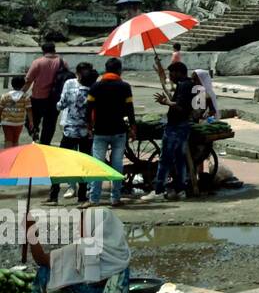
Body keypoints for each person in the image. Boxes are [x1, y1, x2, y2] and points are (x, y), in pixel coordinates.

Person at [27, 207, 131, 293]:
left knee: (46, 269)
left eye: (81, 224)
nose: (77, 228)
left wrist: (31, 232)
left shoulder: (84, 247)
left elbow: (42, 259)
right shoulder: (121, 251)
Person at [83, 57, 135, 208]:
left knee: (97, 164)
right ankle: (115, 198)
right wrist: (132, 127)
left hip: (100, 131)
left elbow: (88, 109)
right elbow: (129, 109)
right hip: (119, 130)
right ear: (119, 70)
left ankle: (94, 199)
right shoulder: (124, 86)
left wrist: (89, 126)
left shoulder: (96, 87)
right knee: (117, 164)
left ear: (106, 69)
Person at [143, 59, 194, 202]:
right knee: (179, 159)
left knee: (165, 159)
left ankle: (159, 191)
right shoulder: (186, 84)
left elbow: (181, 107)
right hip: (183, 126)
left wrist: (166, 103)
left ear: (179, 72)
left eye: (172, 72)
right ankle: (180, 190)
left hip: (176, 126)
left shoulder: (184, 86)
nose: (170, 75)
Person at [48, 66, 96, 203]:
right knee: (84, 164)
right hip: (86, 133)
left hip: (70, 131)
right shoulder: (94, 93)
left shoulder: (71, 91)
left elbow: (60, 105)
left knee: (60, 163)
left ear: (79, 78)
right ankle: (82, 195)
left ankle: (53, 195)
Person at [24, 42, 70, 146]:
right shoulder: (63, 62)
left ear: (43, 51)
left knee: (31, 120)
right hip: (55, 98)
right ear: (54, 49)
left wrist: (21, 93)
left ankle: (35, 135)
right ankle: (45, 144)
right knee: (50, 123)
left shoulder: (37, 62)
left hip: (38, 97)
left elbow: (29, 80)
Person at [1, 76, 33, 148]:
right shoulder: (26, 97)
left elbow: (0, 108)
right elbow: (29, 110)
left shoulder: (5, 96)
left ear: (12, 84)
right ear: (23, 85)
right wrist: (31, 121)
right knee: (15, 140)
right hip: (19, 122)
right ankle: (15, 156)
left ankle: (7, 156)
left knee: (8, 140)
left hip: (6, 122)